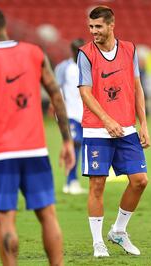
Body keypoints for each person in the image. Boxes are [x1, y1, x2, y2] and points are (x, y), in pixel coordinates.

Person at [0, 7, 75, 265]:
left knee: (5, 219)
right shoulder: (35, 52)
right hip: (35, 150)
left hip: (0, 153)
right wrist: (67, 141)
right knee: (48, 215)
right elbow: (56, 95)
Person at [77, 6, 150, 257]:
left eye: (98, 26)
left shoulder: (130, 49)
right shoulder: (85, 54)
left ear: (111, 25)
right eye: (90, 27)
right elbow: (85, 92)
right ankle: (98, 242)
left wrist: (144, 124)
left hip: (127, 128)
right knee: (97, 186)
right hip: (97, 130)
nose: (93, 31)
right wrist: (107, 120)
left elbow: (137, 87)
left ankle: (118, 230)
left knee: (140, 181)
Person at [54, 38, 86, 195]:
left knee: (84, 146)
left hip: (86, 116)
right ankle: (70, 181)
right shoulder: (64, 68)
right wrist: (58, 112)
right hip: (70, 115)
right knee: (74, 144)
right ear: (72, 50)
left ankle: (74, 181)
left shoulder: (89, 66)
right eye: (77, 50)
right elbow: (56, 90)